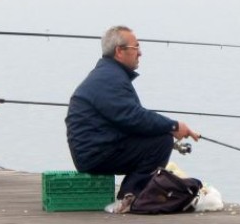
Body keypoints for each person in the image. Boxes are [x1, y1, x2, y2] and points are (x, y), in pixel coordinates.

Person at [66, 25, 200, 200]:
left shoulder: (109, 74)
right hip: (95, 154)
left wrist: (168, 126)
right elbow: (133, 117)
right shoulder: (110, 78)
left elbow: (132, 117)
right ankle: (131, 195)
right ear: (119, 51)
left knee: (158, 136)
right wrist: (173, 126)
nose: (140, 53)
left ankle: (131, 193)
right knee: (161, 142)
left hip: (95, 149)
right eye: (136, 47)